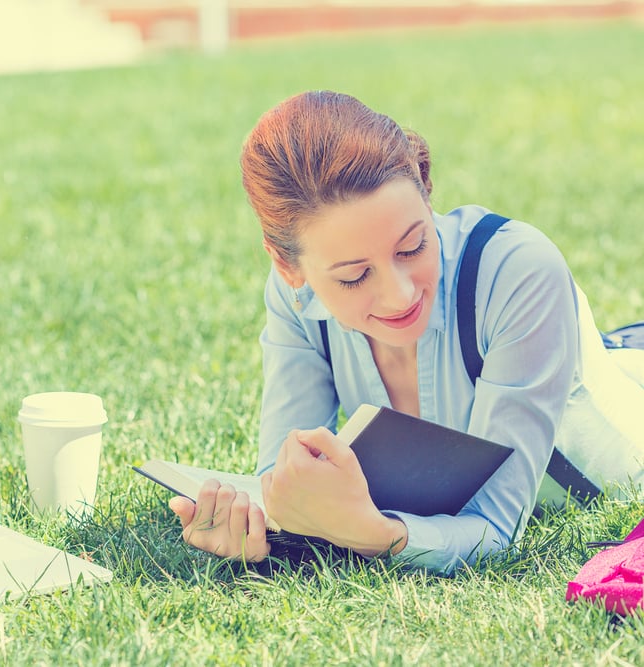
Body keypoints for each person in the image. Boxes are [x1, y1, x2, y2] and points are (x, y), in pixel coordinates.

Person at [169, 90, 644, 572]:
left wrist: (375, 534)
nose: (400, 296)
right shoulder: (298, 294)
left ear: (425, 190)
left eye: (414, 246)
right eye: (354, 277)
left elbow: (497, 530)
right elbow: (283, 481)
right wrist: (259, 527)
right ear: (289, 266)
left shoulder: (520, 270)